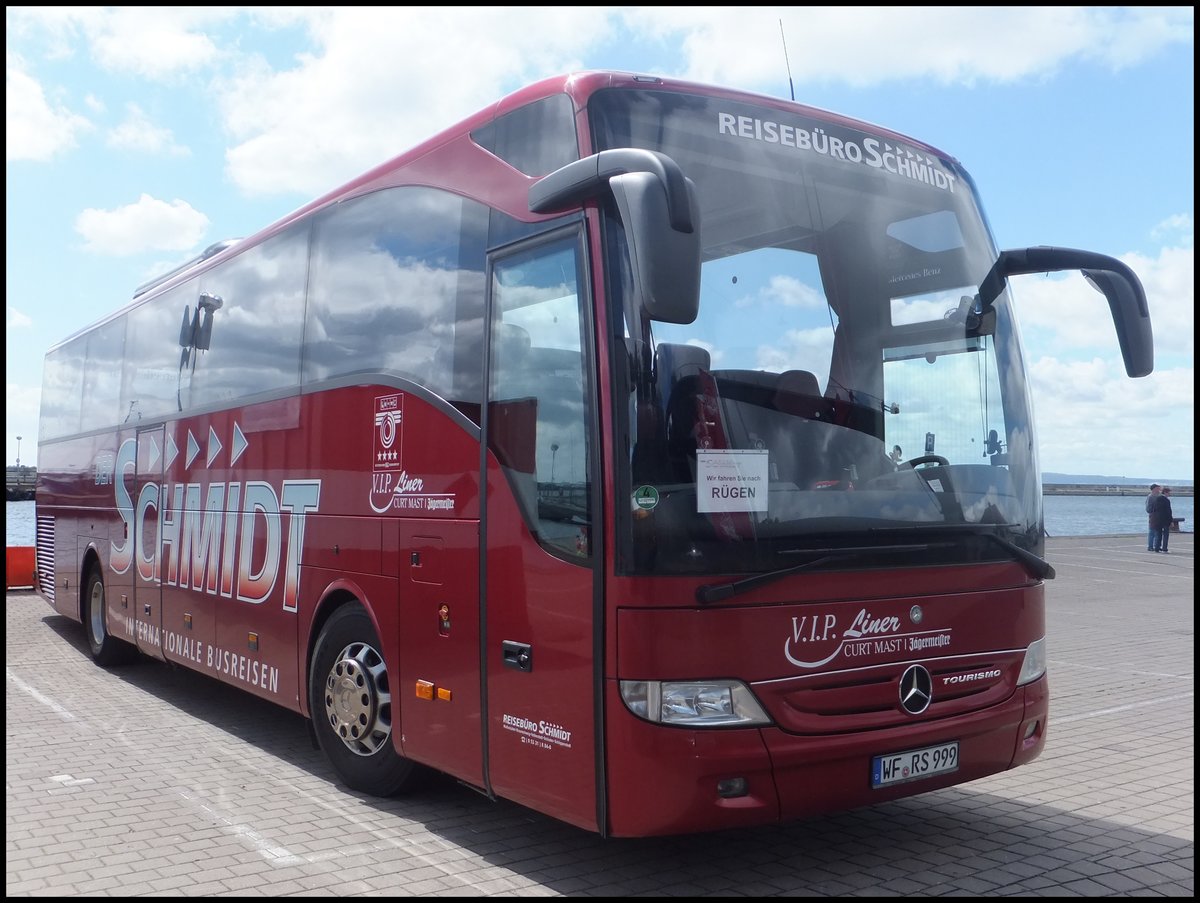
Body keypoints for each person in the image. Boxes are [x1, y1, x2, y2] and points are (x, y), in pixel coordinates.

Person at [1148, 485, 1172, 553]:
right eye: (1169, 493)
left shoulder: (1156, 499)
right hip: (1165, 520)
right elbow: (1168, 511)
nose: (1170, 494)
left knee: (1158, 534)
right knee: (1165, 535)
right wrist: (1171, 520)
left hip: (1157, 520)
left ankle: (1157, 548)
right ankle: (1164, 548)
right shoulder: (1166, 500)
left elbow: (1153, 509)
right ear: (1165, 492)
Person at [1145, 483, 1161, 551]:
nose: (1159, 490)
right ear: (1154, 489)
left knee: (1158, 531)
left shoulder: (1159, 496)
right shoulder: (1150, 496)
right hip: (1153, 515)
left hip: (1159, 516)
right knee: (1152, 531)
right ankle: (1150, 546)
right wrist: (1153, 511)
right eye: (1158, 488)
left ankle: (1156, 545)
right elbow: (1148, 508)